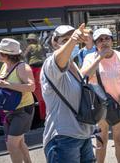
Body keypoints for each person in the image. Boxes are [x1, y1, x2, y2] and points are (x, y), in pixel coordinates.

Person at [41, 24, 96, 163]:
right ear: (54, 43)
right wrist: (72, 40)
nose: (72, 43)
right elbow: (59, 60)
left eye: (73, 39)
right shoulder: (50, 63)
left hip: (83, 136)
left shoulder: (74, 65)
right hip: (63, 138)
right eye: (64, 40)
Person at [81, 28, 120, 163]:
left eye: (107, 38)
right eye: (100, 40)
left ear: (112, 41)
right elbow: (85, 75)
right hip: (100, 108)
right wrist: (100, 57)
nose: (104, 42)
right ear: (95, 44)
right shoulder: (90, 57)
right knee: (101, 142)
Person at [0, 38, 35, 163]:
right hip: (9, 110)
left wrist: (7, 84)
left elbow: (32, 87)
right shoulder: (4, 66)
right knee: (19, 142)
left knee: (12, 145)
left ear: (7, 55)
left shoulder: (23, 67)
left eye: (0, 53)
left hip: (22, 110)